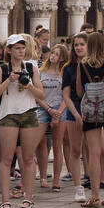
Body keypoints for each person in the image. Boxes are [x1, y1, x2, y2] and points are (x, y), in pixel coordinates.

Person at [0, 34, 44, 208]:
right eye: (17, 47)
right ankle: (5, 199)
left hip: (28, 112)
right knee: (6, 158)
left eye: (23, 47)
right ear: (9, 50)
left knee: (27, 157)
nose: (21, 50)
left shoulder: (31, 67)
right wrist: (9, 80)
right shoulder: (2, 69)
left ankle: (28, 198)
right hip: (8, 114)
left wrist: (29, 86)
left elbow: (41, 94)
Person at [72, 31, 104, 208]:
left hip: (91, 112)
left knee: (94, 152)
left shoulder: (82, 65)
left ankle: (95, 196)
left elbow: (79, 92)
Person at [59, 34, 91, 203]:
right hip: (75, 108)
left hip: (94, 109)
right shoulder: (68, 68)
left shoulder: (94, 65)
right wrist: (76, 113)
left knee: (95, 149)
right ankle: (78, 187)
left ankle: (96, 181)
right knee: (76, 149)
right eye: (76, 45)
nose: (78, 47)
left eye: (82, 44)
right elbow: (66, 94)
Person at [36, 43, 67, 191]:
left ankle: (56, 180)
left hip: (59, 108)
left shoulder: (64, 73)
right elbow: (37, 94)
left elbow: (66, 96)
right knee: (40, 142)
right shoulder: (41, 71)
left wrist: (58, 112)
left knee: (57, 145)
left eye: (57, 54)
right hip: (43, 108)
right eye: (53, 53)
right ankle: (42, 176)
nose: (53, 56)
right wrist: (48, 109)